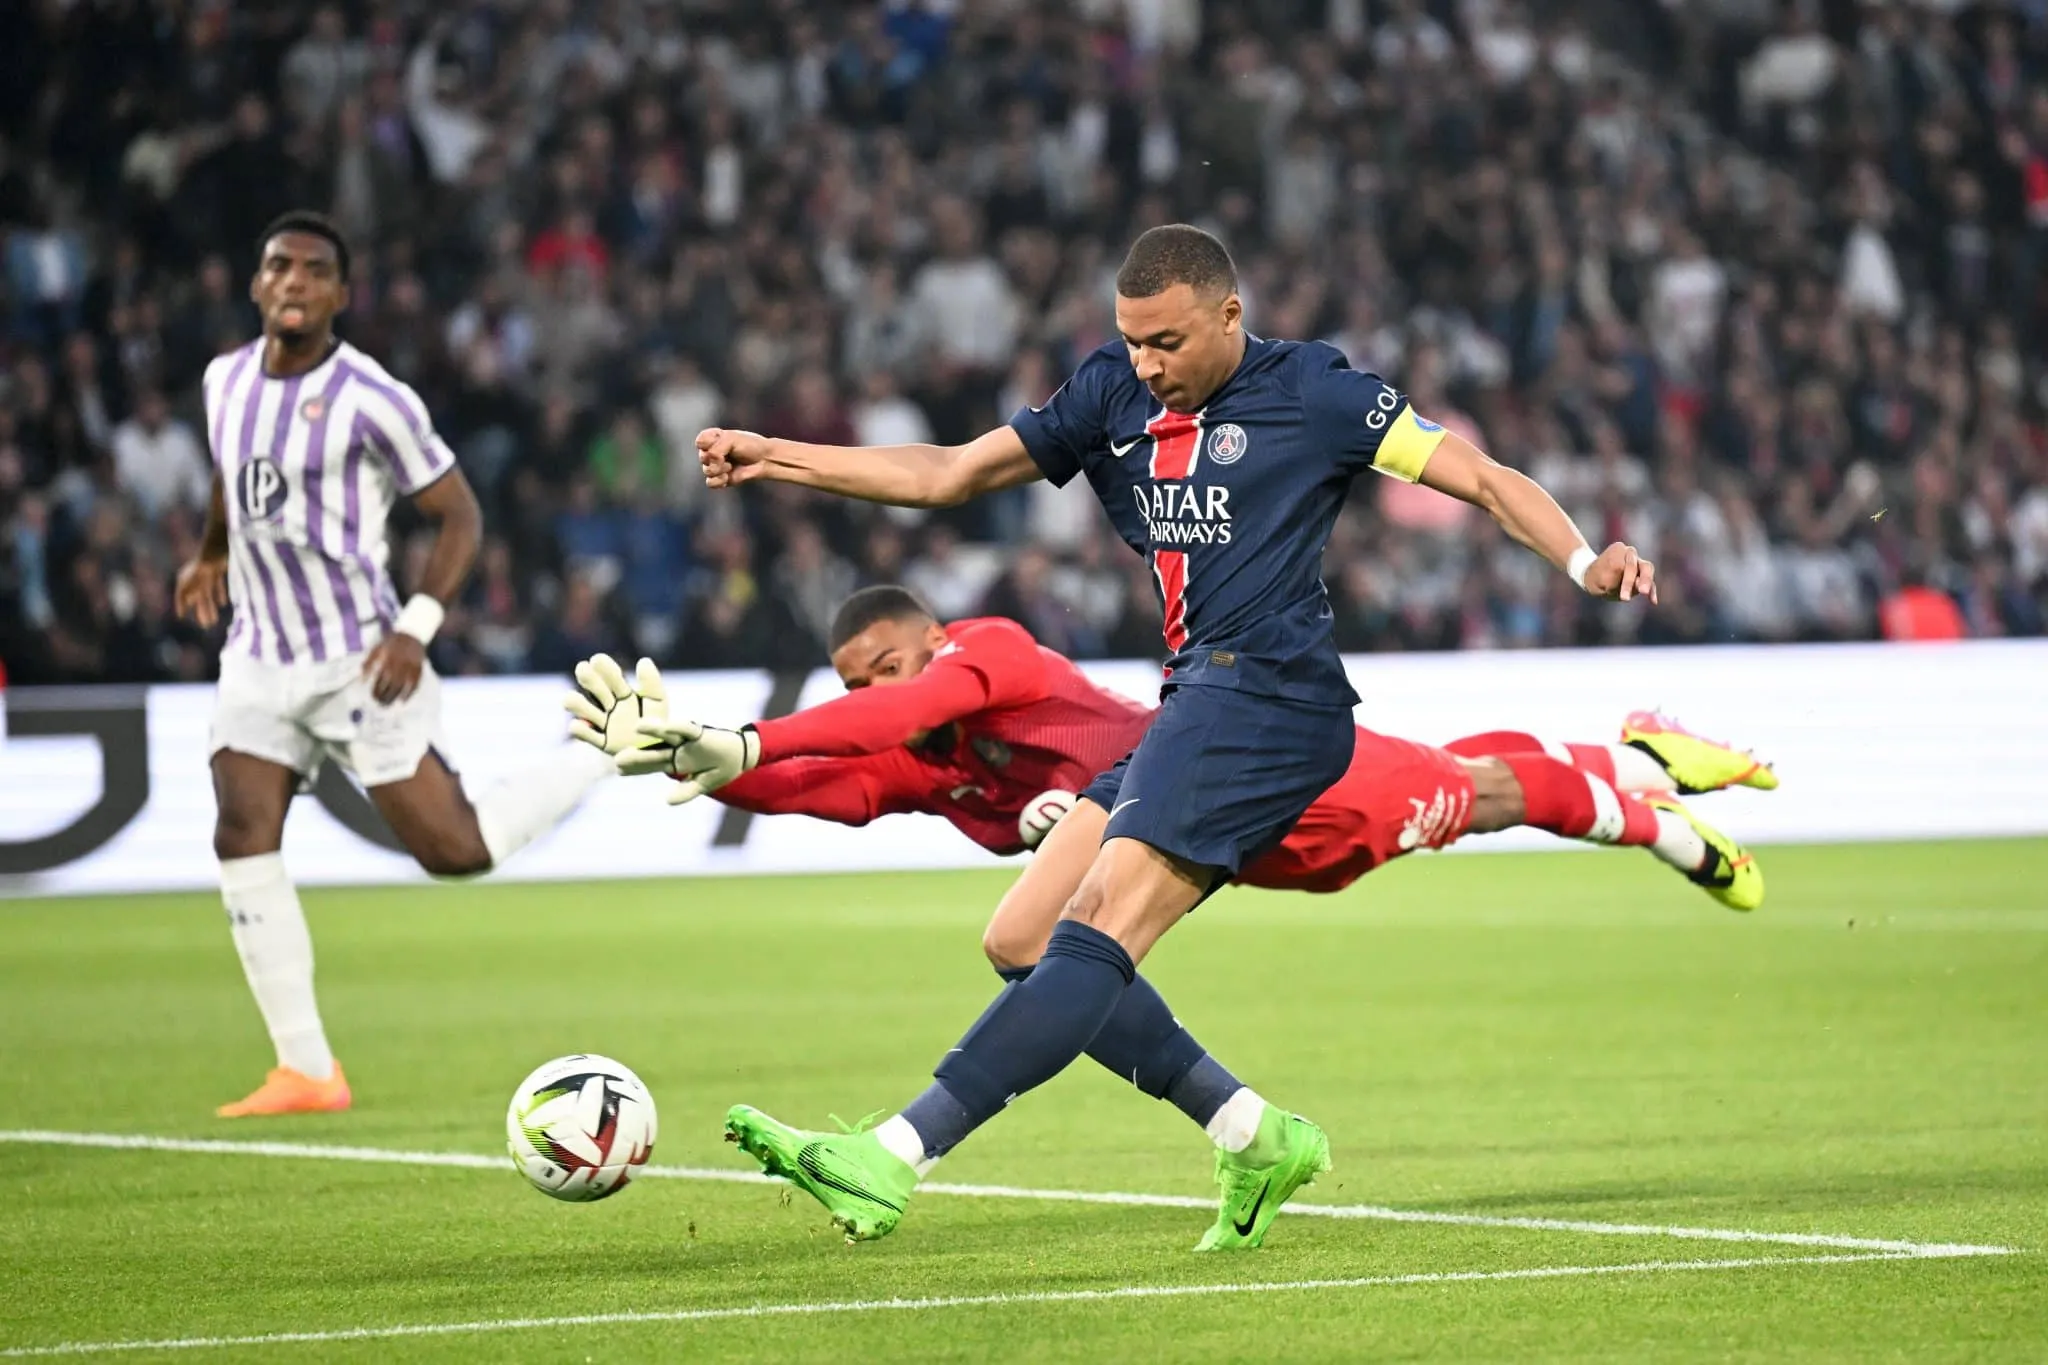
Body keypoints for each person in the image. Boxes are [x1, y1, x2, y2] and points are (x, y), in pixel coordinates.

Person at [675, 225, 1660, 1246]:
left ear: (1229, 315)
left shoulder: (1317, 394)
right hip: (1194, 699)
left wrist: (1583, 561)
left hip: (1272, 697)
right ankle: (1252, 1133)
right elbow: (947, 474)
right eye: (1131, 341)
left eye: (1166, 343)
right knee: (1019, 940)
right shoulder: (1109, 394)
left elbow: (1485, 478)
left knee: (1100, 922)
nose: (1147, 365)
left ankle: (891, 1155)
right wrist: (774, 455)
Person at [174, 212, 618, 1118]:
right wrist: (212, 549)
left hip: (359, 658)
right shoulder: (224, 381)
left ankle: (608, 747)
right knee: (240, 828)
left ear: (341, 294)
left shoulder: (372, 396)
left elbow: (459, 515)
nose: (292, 280)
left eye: (313, 270)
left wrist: (414, 628)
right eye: (277, 265)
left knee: (454, 849)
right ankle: (306, 1069)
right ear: (256, 284)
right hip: (258, 653)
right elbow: (232, 470)